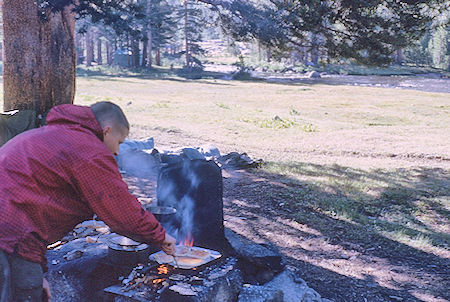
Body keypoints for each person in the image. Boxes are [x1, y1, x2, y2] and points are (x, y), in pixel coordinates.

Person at [0, 102, 176, 301]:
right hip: (9, 237)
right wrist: (160, 236)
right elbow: (120, 210)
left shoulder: (52, 133)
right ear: (107, 131)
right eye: (119, 142)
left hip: (13, 235)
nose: (117, 152)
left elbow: (29, 209)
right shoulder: (88, 149)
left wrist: (37, 272)